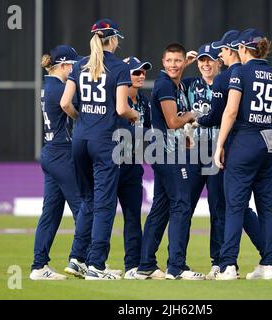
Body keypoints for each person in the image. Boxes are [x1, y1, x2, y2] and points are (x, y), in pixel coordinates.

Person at [198, 30, 272, 277]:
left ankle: (228, 265)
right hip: (270, 143)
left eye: (223, 50)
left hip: (243, 142)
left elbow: (230, 112)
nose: (220, 56)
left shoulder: (238, 73)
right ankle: (267, 264)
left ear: (242, 48)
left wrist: (220, 144)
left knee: (234, 206)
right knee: (267, 205)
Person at [60, 18, 139, 281]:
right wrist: (135, 115)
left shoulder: (80, 64)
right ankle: (96, 264)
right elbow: (121, 108)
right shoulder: (118, 66)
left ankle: (76, 258)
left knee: (88, 201)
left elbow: (65, 103)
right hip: (105, 142)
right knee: (104, 204)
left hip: (80, 139)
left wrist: (83, 119)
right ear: (113, 39)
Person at [135, 43, 205, 280]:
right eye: (169, 61)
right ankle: (176, 267)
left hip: (167, 152)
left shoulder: (176, 84)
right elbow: (173, 121)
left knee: (161, 208)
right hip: (169, 154)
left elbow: (176, 125)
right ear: (163, 63)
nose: (173, 65)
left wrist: (187, 134)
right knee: (182, 205)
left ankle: (145, 264)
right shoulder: (165, 84)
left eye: (178, 61)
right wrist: (195, 114)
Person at [30, 45, 82, 280]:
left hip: (51, 152)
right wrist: (78, 116)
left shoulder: (48, 85)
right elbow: (66, 105)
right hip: (61, 153)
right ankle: (85, 261)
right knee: (83, 207)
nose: (75, 69)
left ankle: (39, 266)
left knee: (51, 213)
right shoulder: (59, 88)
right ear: (64, 65)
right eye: (72, 65)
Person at [180, 44, 226, 280]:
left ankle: (219, 262)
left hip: (219, 152)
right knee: (184, 207)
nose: (206, 65)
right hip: (194, 152)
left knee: (218, 208)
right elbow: (167, 83)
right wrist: (184, 64)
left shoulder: (227, 84)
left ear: (218, 61)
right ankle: (177, 263)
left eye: (210, 60)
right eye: (202, 61)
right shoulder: (188, 85)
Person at [117, 56, 152, 279]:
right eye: (135, 72)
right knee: (102, 214)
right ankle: (93, 262)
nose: (141, 76)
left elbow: (149, 132)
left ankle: (132, 265)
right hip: (111, 165)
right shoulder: (116, 100)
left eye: (143, 72)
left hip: (133, 164)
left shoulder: (144, 102)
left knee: (132, 217)